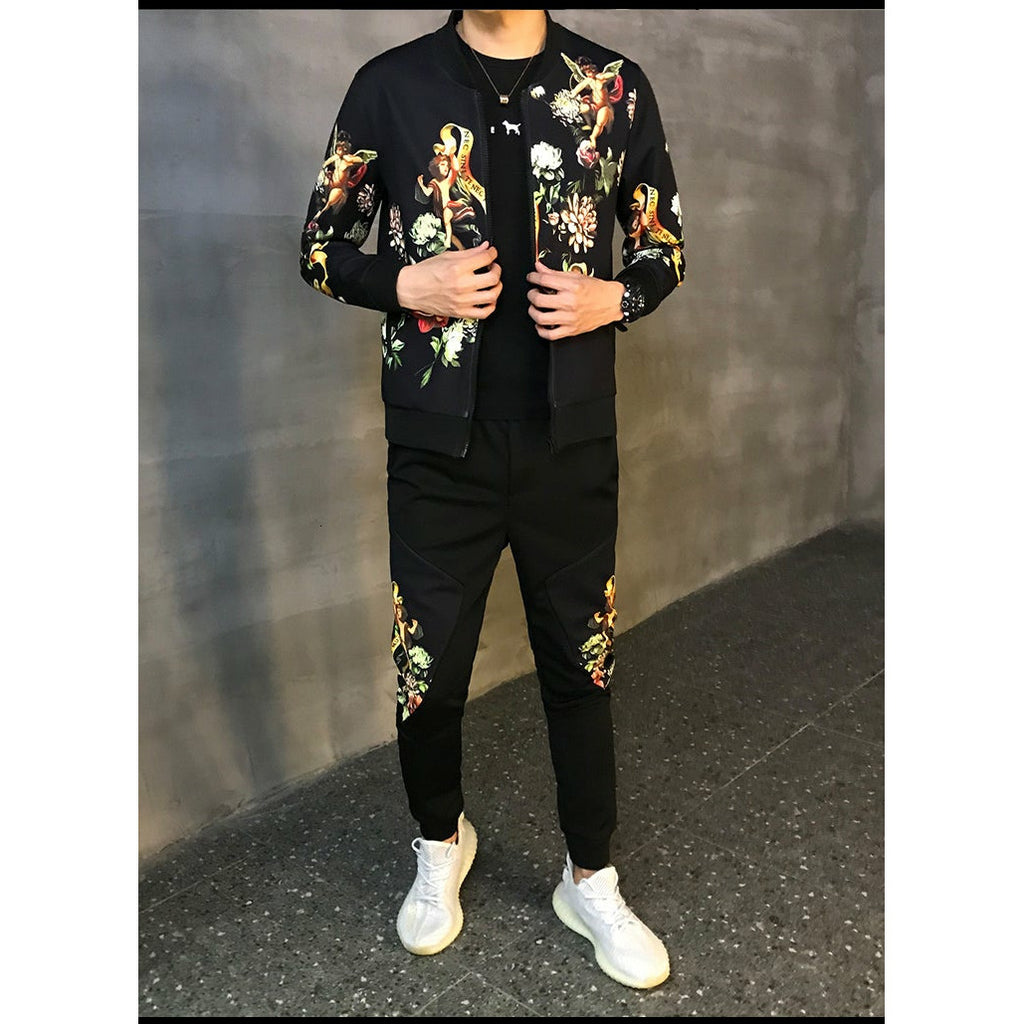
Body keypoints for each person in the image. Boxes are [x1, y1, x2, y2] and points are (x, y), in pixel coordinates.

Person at [299, 9, 685, 990]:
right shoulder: (390, 86)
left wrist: (616, 298)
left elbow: (664, 245)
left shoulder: (612, 85)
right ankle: (440, 842)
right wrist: (406, 281)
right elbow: (320, 244)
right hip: (439, 446)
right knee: (426, 673)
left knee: (581, 667)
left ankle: (589, 878)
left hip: (569, 441)